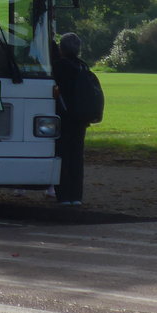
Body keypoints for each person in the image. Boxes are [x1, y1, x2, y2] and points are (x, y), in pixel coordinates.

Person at [52, 32, 89, 205]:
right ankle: (77, 196)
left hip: (63, 116)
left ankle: (64, 195)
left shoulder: (59, 66)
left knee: (63, 155)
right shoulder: (83, 66)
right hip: (81, 117)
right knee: (77, 156)